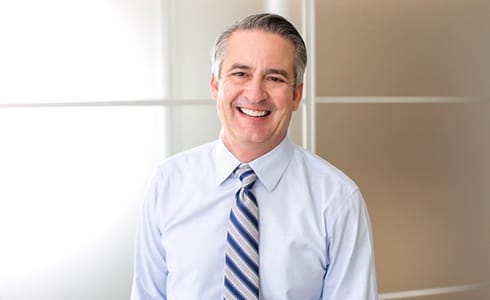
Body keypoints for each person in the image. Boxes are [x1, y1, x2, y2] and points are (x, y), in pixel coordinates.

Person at [131, 13, 377, 299]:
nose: (256, 93)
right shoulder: (167, 182)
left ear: (296, 95)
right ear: (215, 85)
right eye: (240, 73)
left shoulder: (337, 199)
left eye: (274, 78)